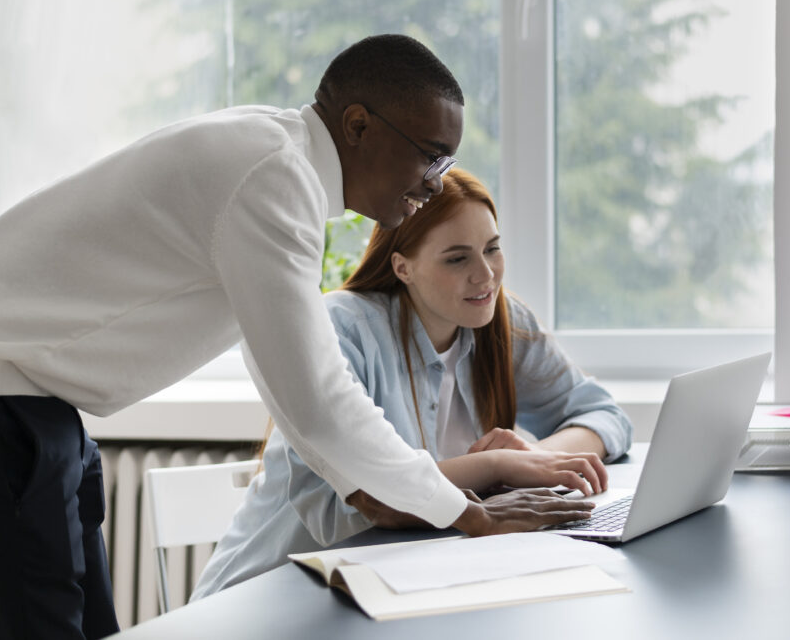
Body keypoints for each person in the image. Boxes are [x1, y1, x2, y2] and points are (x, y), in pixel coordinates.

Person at [0, 35, 595, 640]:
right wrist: (467, 512)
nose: (437, 184)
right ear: (358, 125)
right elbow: (316, 401)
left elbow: (302, 394)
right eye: (431, 157)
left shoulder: (280, 164)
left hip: (23, 391)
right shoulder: (272, 180)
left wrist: (410, 496)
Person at [192, 168, 633, 599]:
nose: (486, 275)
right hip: (266, 598)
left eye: (492, 249)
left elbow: (604, 415)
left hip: (387, 588)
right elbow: (351, 505)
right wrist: (496, 465)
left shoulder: (498, 318)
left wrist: (538, 459)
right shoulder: (344, 327)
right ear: (402, 267)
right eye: (458, 258)